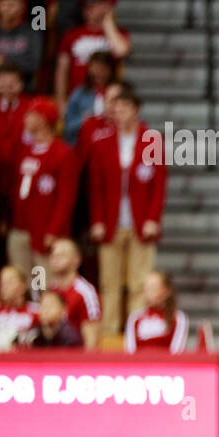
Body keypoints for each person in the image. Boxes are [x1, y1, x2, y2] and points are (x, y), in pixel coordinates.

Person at [88, 86, 164, 337]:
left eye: (124, 109)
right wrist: (97, 220)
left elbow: (159, 185)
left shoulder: (151, 140)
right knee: (109, 281)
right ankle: (109, 331)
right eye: (115, 109)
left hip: (140, 220)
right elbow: (95, 186)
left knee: (139, 281)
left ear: (136, 110)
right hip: (111, 221)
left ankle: (135, 330)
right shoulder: (101, 143)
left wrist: (153, 218)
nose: (118, 113)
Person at [6, 97, 76, 278]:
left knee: (44, 282)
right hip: (20, 228)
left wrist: (54, 230)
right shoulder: (23, 150)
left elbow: (66, 198)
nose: (25, 118)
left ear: (43, 119)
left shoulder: (62, 153)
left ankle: (43, 307)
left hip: (44, 231)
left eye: (30, 114)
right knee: (21, 279)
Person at [48, 237, 101, 348]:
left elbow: (91, 344)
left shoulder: (86, 293)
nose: (55, 259)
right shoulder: (50, 290)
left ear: (76, 260)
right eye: (53, 255)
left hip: (75, 359)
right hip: (52, 358)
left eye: (61, 255)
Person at [124, 270, 188, 353]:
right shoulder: (135, 318)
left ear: (166, 291)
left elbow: (177, 351)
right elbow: (130, 351)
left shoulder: (178, 318)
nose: (148, 293)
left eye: (153, 288)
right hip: (140, 365)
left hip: (166, 365)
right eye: (146, 289)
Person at [0, 0, 42, 84]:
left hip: (23, 90)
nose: (9, 7)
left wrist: (3, 61)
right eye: (5, 3)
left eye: (13, 3)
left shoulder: (32, 34)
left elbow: (32, 66)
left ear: (22, 7)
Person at [0, 264, 38, 346]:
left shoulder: (37, 312)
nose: (4, 286)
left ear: (23, 286)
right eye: (2, 281)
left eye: (9, 282)